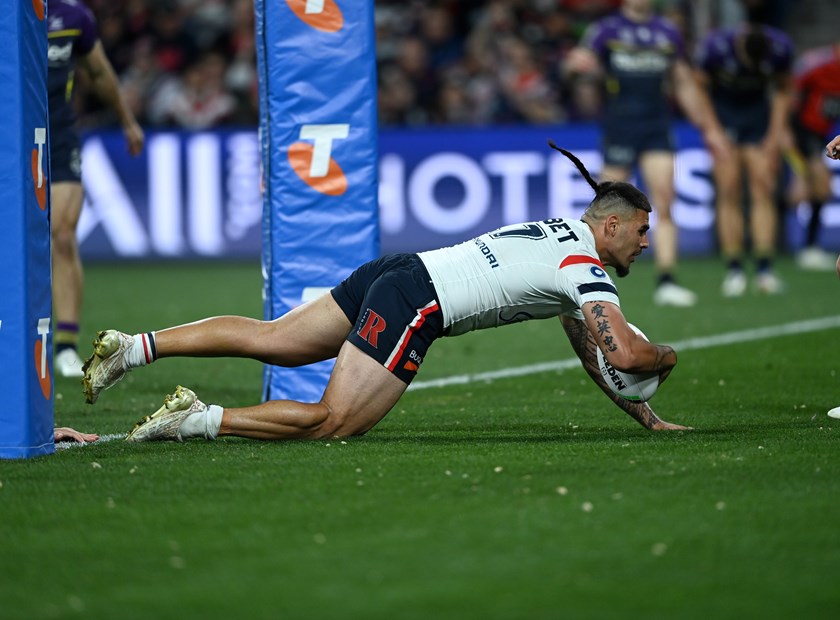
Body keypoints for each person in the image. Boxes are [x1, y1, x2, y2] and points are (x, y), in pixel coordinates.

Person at [81, 145, 690, 444]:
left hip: (401, 269)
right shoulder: (584, 268)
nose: (645, 243)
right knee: (333, 423)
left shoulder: (559, 237)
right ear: (611, 225)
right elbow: (627, 357)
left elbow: (590, 346)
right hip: (418, 303)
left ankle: (132, 348)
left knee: (275, 341)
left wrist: (646, 416)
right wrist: (666, 357)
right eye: (641, 232)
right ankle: (194, 420)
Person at [565, 0, 730, 307]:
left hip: (657, 125)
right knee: (606, 207)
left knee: (664, 201)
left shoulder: (667, 32)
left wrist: (709, 129)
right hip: (620, 125)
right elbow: (575, 67)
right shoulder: (606, 30)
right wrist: (573, 68)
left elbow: (683, 83)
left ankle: (667, 280)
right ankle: (586, 276)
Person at [48, 0, 145, 377]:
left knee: (63, 234)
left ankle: (66, 345)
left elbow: (100, 73)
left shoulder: (73, 17)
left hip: (58, 138)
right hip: (8, 139)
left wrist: (128, 121)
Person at [695, 21, 794, 296]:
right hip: (724, 115)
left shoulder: (780, 48)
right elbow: (699, 87)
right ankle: (735, 269)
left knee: (763, 189)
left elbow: (784, 91)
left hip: (758, 117)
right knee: (729, 190)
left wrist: (775, 136)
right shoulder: (715, 47)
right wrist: (712, 130)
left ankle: (764, 269)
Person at [787, 43, 840, 272]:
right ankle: (809, 247)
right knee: (819, 187)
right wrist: (784, 132)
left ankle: (808, 247)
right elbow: (790, 92)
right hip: (801, 132)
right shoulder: (820, 66)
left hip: (819, 135)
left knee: (804, 192)